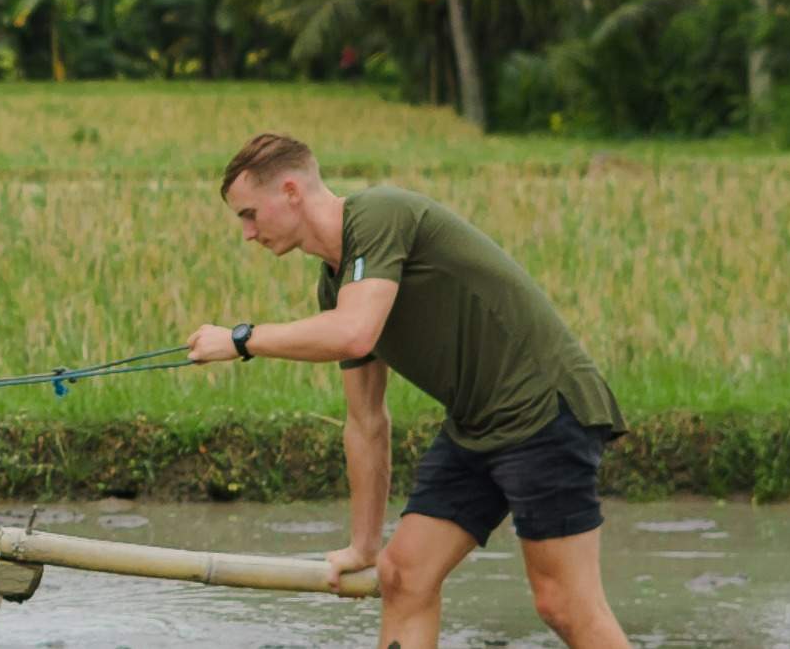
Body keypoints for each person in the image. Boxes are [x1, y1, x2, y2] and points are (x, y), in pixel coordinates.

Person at [188, 132, 629, 648]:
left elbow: (354, 332)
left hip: (543, 413)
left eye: (248, 214)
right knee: (402, 575)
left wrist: (241, 340)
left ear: (290, 192)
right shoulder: (336, 284)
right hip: (477, 427)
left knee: (565, 605)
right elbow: (366, 420)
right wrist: (363, 546)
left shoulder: (378, 216)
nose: (246, 233)